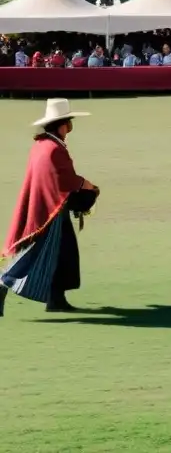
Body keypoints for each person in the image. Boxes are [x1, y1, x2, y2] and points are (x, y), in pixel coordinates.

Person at [1, 99, 100, 316]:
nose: (70, 128)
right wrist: (90, 186)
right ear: (61, 125)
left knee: (64, 253)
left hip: (50, 206)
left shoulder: (42, 144)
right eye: (69, 123)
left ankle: (56, 298)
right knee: (36, 252)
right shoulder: (54, 148)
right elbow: (66, 180)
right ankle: (4, 281)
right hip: (49, 211)